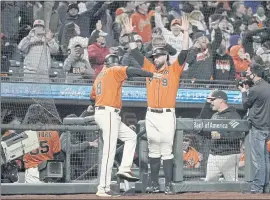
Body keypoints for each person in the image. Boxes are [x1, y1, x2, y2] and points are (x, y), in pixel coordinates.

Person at [122, 16, 190, 195]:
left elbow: (184, 52)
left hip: (167, 114)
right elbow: (135, 52)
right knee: (153, 149)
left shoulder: (174, 70)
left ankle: (167, 185)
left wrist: (186, 32)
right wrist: (130, 34)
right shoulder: (149, 68)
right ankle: (153, 184)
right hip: (151, 114)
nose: (155, 57)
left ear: (165, 55)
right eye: (154, 55)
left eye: (158, 55)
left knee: (166, 150)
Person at [90, 54, 162, 197]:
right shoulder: (112, 70)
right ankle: (102, 188)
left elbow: (92, 98)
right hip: (108, 113)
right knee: (109, 151)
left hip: (107, 112)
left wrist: (99, 108)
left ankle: (124, 168)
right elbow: (132, 70)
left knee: (131, 137)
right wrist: (151, 74)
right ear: (113, 64)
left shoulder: (99, 76)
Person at [238, 62, 270, 193]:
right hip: (265, 127)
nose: (247, 73)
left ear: (255, 73)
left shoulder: (255, 89)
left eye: (248, 71)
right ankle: (266, 186)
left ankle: (257, 188)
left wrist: (244, 92)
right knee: (264, 159)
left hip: (257, 127)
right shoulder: (268, 87)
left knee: (259, 161)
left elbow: (245, 105)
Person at [203, 90, 242, 181]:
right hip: (213, 155)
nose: (211, 102)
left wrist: (221, 135)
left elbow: (238, 134)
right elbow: (202, 124)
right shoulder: (215, 115)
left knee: (232, 185)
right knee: (209, 184)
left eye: (213, 100)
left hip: (229, 155)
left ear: (221, 100)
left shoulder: (233, 115)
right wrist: (206, 103)